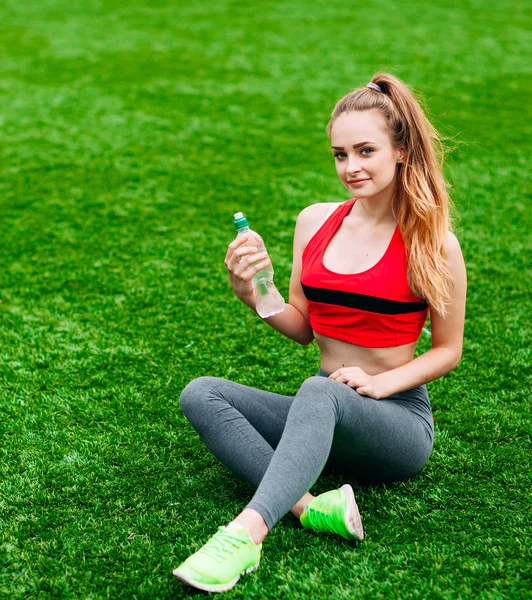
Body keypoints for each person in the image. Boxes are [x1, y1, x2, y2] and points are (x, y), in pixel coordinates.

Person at [173, 73, 467, 593]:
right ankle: (312, 508)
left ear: (400, 150)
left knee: (320, 389)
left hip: (395, 424)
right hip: (324, 414)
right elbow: (305, 329)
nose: (350, 167)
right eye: (339, 154)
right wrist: (255, 298)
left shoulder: (433, 242)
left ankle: (245, 535)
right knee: (202, 393)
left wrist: (382, 384)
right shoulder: (314, 221)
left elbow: (447, 351)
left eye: (365, 151)